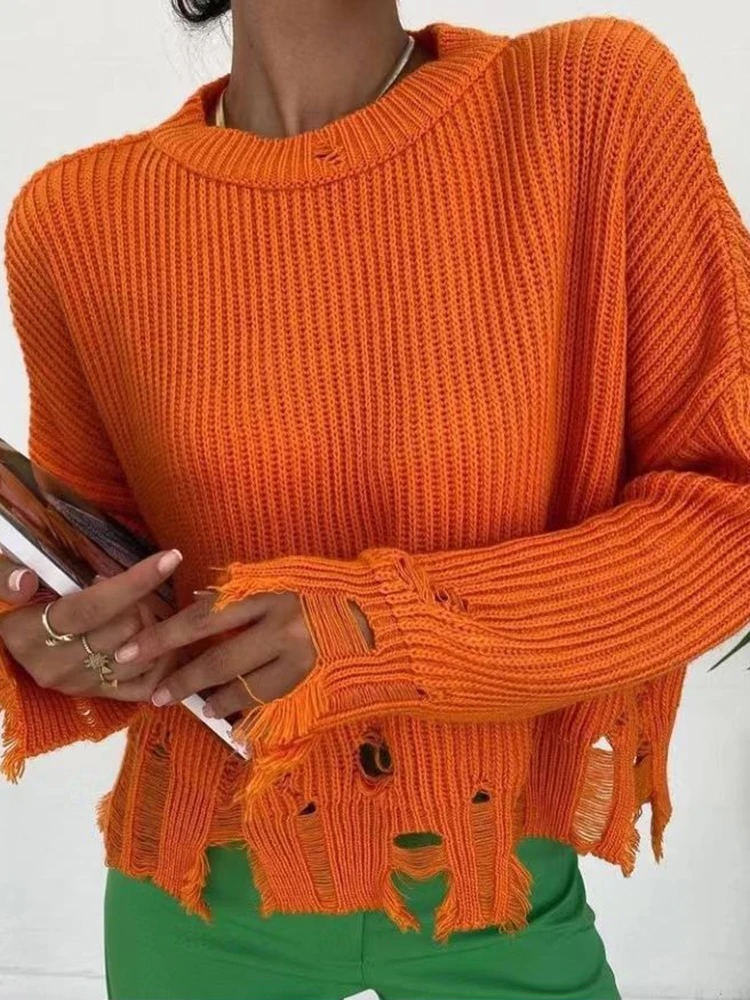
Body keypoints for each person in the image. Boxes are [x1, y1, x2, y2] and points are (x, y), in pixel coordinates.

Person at [2, 2, 750, 998]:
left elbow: (729, 515)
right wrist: (66, 642)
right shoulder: (77, 219)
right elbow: (110, 576)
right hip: (196, 885)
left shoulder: (586, 104)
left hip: (495, 875)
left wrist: (374, 629)